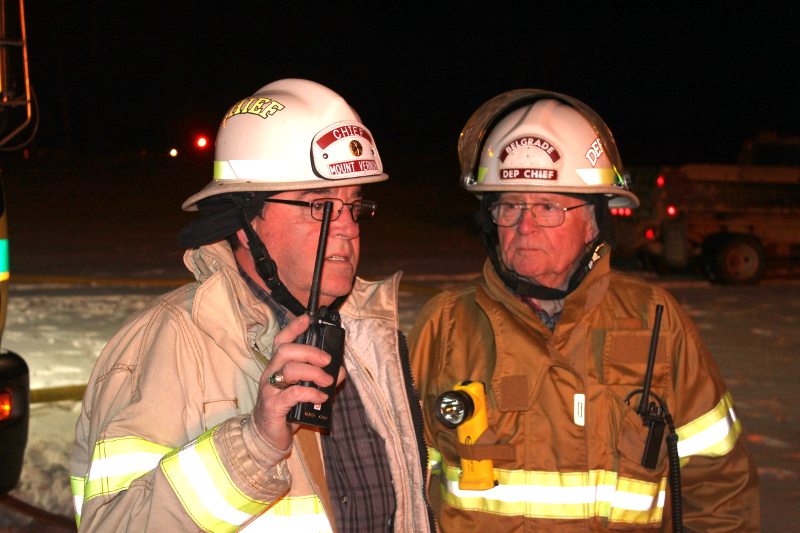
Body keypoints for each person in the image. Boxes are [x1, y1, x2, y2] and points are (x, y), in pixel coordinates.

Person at [70, 79, 434, 533]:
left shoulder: (370, 336)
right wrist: (257, 442)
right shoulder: (169, 342)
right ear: (245, 225)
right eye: (320, 206)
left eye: (354, 207)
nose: (347, 229)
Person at [408, 89, 759, 532]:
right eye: (510, 206)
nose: (525, 225)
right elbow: (402, 481)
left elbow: (719, 486)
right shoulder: (445, 325)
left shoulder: (655, 323)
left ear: (594, 221)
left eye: (548, 207)